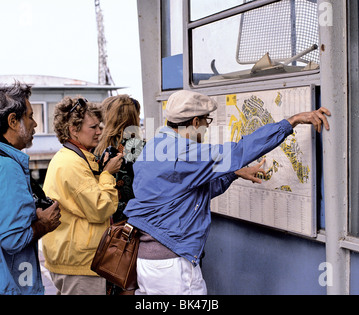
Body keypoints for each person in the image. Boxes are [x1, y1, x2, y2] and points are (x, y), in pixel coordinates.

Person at [123, 90, 331, 295]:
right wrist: (291, 122)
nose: (206, 129)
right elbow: (239, 151)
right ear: (195, 122)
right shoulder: (184, 152)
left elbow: (189, 193)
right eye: (206, 122)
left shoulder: (154, 147)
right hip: (173, 265)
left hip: (148, 262)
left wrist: (234, 173)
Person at [0, 81, 61, 295]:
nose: (35, 123)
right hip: (6, 286)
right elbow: (12, 239)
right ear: (12, 121)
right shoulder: (6, 166)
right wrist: (43, 225)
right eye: (30, 116)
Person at [41, 96, 123, 295]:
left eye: (99, 126)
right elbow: (100, 208)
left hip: (74, 258)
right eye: (93, 127)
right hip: (80, 263)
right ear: (73, 129)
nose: (99, 131)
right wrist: (107, 175)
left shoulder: (72, 157)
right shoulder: (72, 164)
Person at [93, 94, 144, 294]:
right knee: (128, 281)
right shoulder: (141, 148)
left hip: (104, 227)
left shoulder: (97, 150)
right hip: (132, 228)